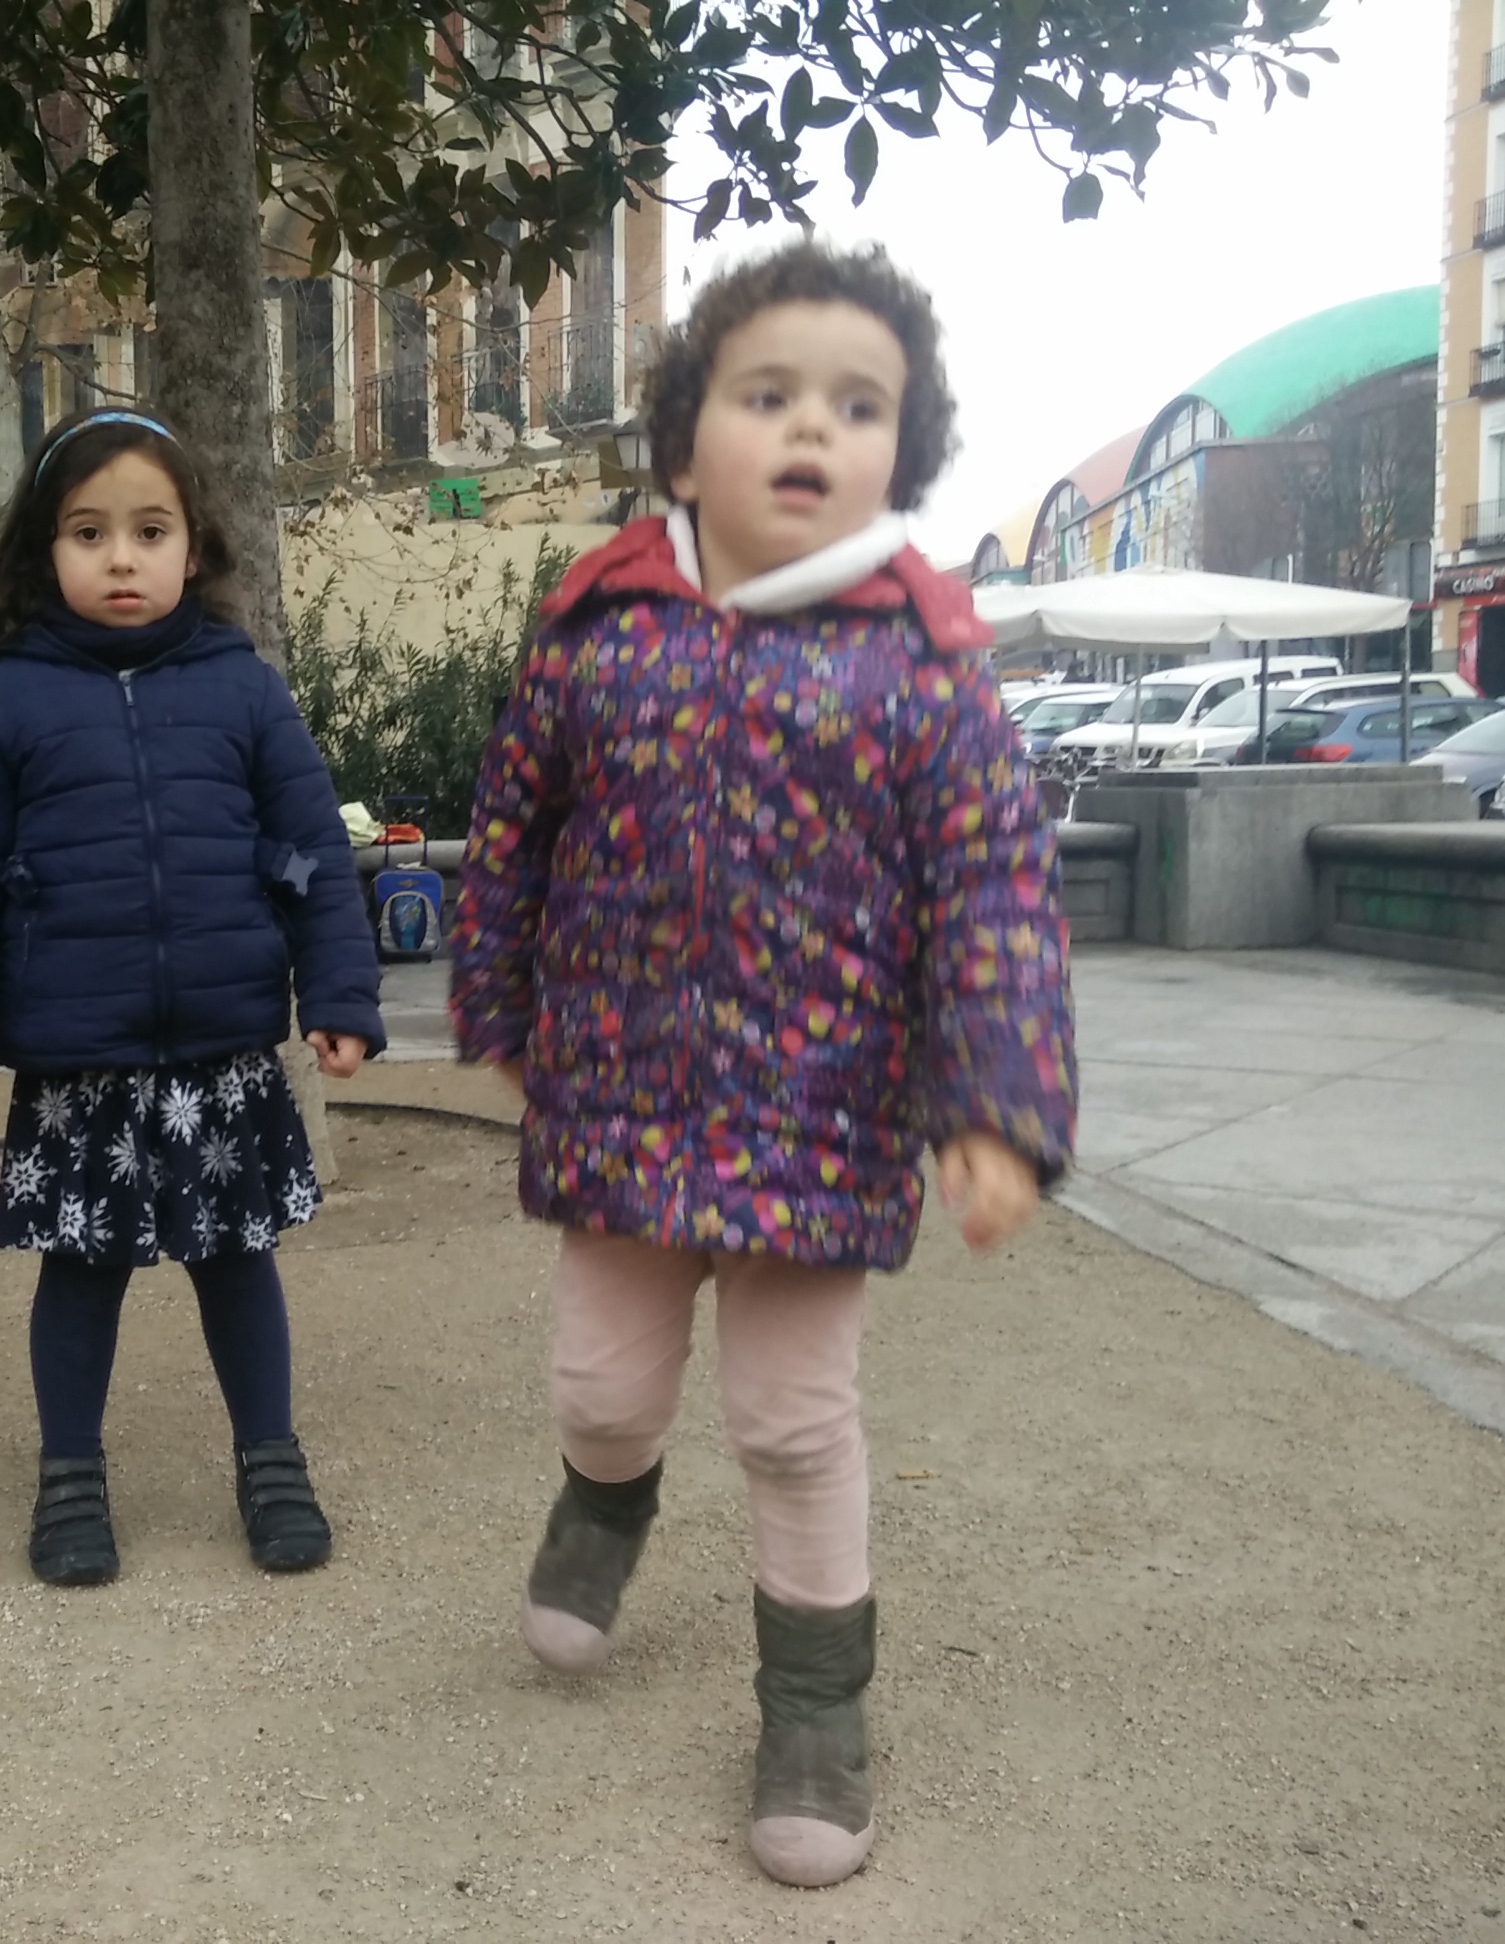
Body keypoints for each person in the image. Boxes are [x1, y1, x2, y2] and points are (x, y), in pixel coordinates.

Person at [450, 240, 1075, 1887]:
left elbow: (997, 893)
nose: (812, 426)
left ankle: (812, 1707)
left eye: (858, 405)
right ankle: (607, 1496)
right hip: (618, 1097)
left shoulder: (928, 668)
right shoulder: (596, 633)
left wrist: (997, 1106)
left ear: (899, 454)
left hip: (820, 1117)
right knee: (601, 1385)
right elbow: (512, 829)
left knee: (794, 1425)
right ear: (682, 444)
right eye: (770, 392)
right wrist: (496, 1007)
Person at [0, 409, 384, 1587]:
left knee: (238, 1259)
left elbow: (312, 850)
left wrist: (339, 990)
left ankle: (271, 1461)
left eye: (150, 531)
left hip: (224, 1044)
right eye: (89, 532)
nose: (122, 558)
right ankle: (70, 1477)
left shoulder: (244, 690)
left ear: (193, 547)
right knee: (81, 1270)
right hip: (79, 1055)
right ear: (43, 550)